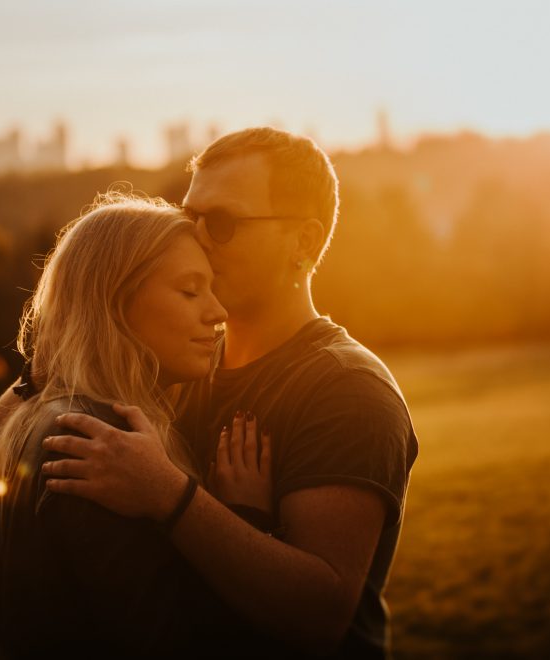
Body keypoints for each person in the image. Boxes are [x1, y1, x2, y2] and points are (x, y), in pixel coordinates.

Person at [41, 127, 419, 658]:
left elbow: (321, 613)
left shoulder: (346, 389)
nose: (194, 238)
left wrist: (168, 494)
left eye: (220, 223)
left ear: (304, 243)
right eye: (187, 217)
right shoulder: (184, 358)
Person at [0, 193, 279, 657]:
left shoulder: (43, 416)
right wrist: (246, 520)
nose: (217, 313)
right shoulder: (98, 445)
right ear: (114, 302)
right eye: (190, 290)